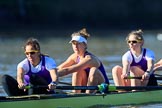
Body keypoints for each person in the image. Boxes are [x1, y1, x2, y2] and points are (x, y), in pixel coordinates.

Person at [57, 28, 109, 93]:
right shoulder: (74, 56)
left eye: (78, 43)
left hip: (102, 87)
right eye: (73, 43)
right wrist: (46, 73)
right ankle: (76, 94)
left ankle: (88, 96)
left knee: (92, 70)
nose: (75, 46)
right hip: (86, 85)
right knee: (78, 71)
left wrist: (53, 75)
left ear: (85, 45)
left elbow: (68, 70)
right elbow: (59, 68)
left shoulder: (89, 59)